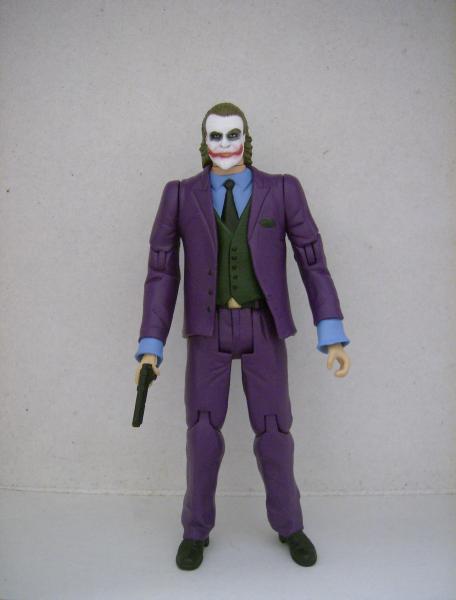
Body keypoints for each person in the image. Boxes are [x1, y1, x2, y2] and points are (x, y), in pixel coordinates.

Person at [135, 102, 351, 570]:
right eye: (215, 136)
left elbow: (312, 260)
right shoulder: (179, 195)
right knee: (202, 432)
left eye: (233, 134)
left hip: (263, 325)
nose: (225, 144)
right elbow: (161, 273)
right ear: (203, 141)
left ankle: (289, 525)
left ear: (247, 137)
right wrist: (151, 345)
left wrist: (330, 331)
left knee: (275, 431)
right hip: (207, 328)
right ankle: (195, 530)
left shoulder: (282, 190)